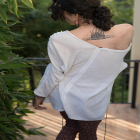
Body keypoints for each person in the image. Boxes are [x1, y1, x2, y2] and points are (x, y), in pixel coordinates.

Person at [32, 0, 134, 139]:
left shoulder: (60, 39)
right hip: (96, 99)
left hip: (68, 97)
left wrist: (39, 94)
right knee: (87, 133)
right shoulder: (127, 30)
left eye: (64, 15)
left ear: (75, 15)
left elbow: (54, 73)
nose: (64, 19)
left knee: (71, 127)